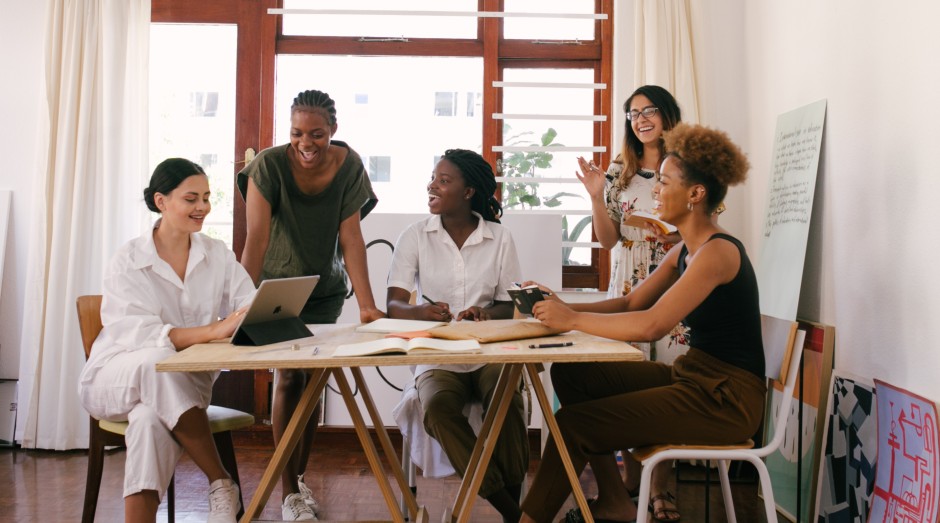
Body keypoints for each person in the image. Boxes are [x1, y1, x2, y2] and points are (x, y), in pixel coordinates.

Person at [519, 123, 766, 523]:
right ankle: (616, 501)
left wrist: (573, 319)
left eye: (664, 182)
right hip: (695, 379)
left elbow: (651, 325)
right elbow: (632, 301)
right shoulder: (688, 248)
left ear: (695, 194)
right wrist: (560, 306)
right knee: (574, 375)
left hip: (725, 402)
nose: (655, 190)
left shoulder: (717, 253)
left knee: (574, 423)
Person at [79, 158, 256, 523]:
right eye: (191, 198)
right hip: (115, 377)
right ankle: (221, 480)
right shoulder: (128, 259)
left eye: (206, 197)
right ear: (161, 201)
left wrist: (249, 317)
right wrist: (212, 330)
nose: (203, 207)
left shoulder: (216, 253)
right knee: (153, 362)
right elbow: (141, 337)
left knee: (147, 420)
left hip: (183, 385)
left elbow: (248, 303)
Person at [238, 89, 385, 520]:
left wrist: (368, 306)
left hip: (324, 291)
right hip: (277, 289)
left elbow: (351, 239)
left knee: (312, 385)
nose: (306, 143)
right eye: (297, 133)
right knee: (288, 379)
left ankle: (296, 482)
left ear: (333, 131)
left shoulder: (350, 166)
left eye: (317, 134)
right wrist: (241, 303)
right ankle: (288, 492)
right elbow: (257, 240)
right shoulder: (266, 166)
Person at [386, 149, 527, 523]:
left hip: (487, 353)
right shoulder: (414, 236)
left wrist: (484, 313)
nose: (432, 185)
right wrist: (421, 312)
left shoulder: (499, 238)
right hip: (438, 356)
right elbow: (394, 307)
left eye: (444, 180)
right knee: (436, 408)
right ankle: (515, 513)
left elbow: (508, 306)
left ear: (468, 192)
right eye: (433, 177)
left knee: (508, 399)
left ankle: (513, 511)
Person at [574, 84, 684, 521]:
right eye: (634, 112)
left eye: (650, 110)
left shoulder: (686, 166)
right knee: (629, 377)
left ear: (667, 116)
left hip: (674, 273)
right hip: (628, 280)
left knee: (669, 383)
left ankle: (663, 486)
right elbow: (607, 240)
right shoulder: (621, 169)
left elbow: (704, 225)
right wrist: (596, 195)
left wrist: (671, 234)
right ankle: (632, 479)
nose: (641, 119)